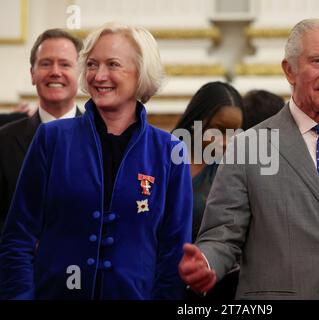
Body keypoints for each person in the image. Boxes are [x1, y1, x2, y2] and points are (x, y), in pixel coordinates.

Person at [179, 19, 319, 300]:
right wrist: (206, 263)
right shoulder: (247, 147)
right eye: (318, 61)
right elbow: (223, 236)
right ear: (290, 70)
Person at [0, 23, 192, 300]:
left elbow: (174, 251)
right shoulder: (51, 139)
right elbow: (19, 237)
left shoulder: (170, 151)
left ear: (141, 72)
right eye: (92, 64)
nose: (99, 75)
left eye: (113, 64)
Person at [0, 29, 83, 230]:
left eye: (65, 64)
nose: (55, 72)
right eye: (46, 64)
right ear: (32, 74)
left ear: (81, 74)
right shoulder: (4, 141)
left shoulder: (103, 138)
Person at [172, 81, 243, 300]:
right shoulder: (161, 156)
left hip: (209, 288)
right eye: (219, 130)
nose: (226, 141)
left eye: (234, 132)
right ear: (197, 121)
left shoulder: (232, 171)